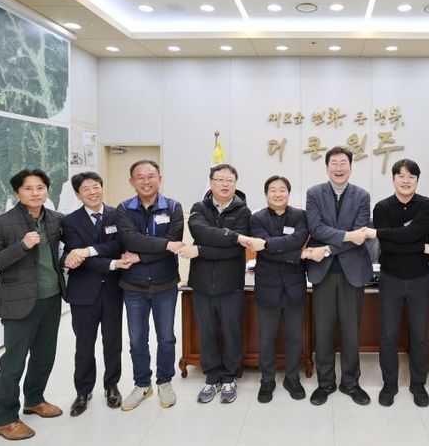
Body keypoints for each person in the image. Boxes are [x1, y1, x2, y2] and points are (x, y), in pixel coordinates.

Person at [0, 169, 65, 441]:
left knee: (44, 356)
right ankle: (5, 419)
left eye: (40, 187)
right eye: (28, 188)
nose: (35, 193)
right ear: (17, 192)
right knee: (13, 362)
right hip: (18, 303)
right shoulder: (1, 223)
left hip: (51, 298)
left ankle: (34, 400)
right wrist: (22, 246)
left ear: (47, 190)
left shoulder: (56, 219)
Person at [362, 159, 429, 407]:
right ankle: (389, 384)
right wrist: (421, 247)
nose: (406, 181)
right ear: (393, 178)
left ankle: (418, 385)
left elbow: (412, 233)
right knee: (388, 335)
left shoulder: (426, 205)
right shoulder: (382, 207)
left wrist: (380, 233)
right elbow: (390, 246)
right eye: (401, 176)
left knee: (419, 336)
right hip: (391, 279)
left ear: (417, 180)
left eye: (411, 177)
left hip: (419, 278)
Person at [305, 146, 373, 406]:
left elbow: (360, 235)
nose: (339, 167)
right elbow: (316, 228)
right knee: (323, 332)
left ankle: (351, 382)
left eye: (343, 162)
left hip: (352, 273)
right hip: (323, 273)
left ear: (350, 167)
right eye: (334, 163)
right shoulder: (314, 194)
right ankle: (325, 383)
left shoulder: (362, 196)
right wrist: (346, 236)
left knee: (351, 332)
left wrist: (328, 249)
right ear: (327, 168)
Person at [61, 172, 132, 416]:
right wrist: (111, 263)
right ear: (77, 194)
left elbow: (118, 245)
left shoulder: (117, 215)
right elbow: (76, 255)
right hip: (83, 292)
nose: (93, 192)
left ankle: (111, 386)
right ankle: (83, 391)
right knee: (84, 345)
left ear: (102, 187)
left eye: (96, 187)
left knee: (112, 342)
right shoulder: (69, 222)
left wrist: (89, 250)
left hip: (112, 290)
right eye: (86, 189)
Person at [115, 160, 184, 411]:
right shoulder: (124, 209)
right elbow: (130, 239)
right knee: (137, 340)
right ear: (131, 181)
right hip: (133, 286)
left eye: (151, 176)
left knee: (166, 338)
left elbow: (174, 242)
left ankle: (165, 382)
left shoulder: (173, 207)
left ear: (160, 178)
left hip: (165, 284)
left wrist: (140, 256)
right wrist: (163, 245)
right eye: (140, 177)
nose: (146, 181)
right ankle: (142, 384)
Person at [186, 164, 251, 404]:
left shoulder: (243, 212)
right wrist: (231, 238)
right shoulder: (198, 208)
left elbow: (235, 251)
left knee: (232, 332)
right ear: (211, 182)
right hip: (202, 284)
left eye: (229, 180)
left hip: (231, 284)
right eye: (220, 179)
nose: (225, 184)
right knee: (208, 332)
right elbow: (200, 232)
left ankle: (230, 377)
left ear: (235, 183)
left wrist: (201, 251)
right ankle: (212, 377)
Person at [249, 176, 309, 403]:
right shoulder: (256, 218)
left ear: (288, 193)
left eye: (282, 189)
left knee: (294, 337)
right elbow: (263, 249)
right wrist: (295, 254)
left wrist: (268, 245)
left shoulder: (300, 216)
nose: (277, 194)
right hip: (268, 288)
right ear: (266, 194)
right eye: (273, 190)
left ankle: (292, 378)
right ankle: (267, 380)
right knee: (267, 338)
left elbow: (298, 239)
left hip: (294, 288)